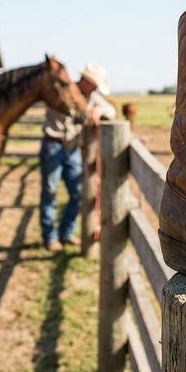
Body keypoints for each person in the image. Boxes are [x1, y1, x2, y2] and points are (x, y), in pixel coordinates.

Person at [39, 63, 116, 251]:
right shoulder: (64, 89)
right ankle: (50, 236)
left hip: (72, 149)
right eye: (94, 85)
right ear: (87, 81)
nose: (96, 89)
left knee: (78, 192)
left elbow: (111, 110)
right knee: (50, 191)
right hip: (54, 144)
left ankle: (66, 232)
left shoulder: (92, 98)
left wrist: (99, 111)